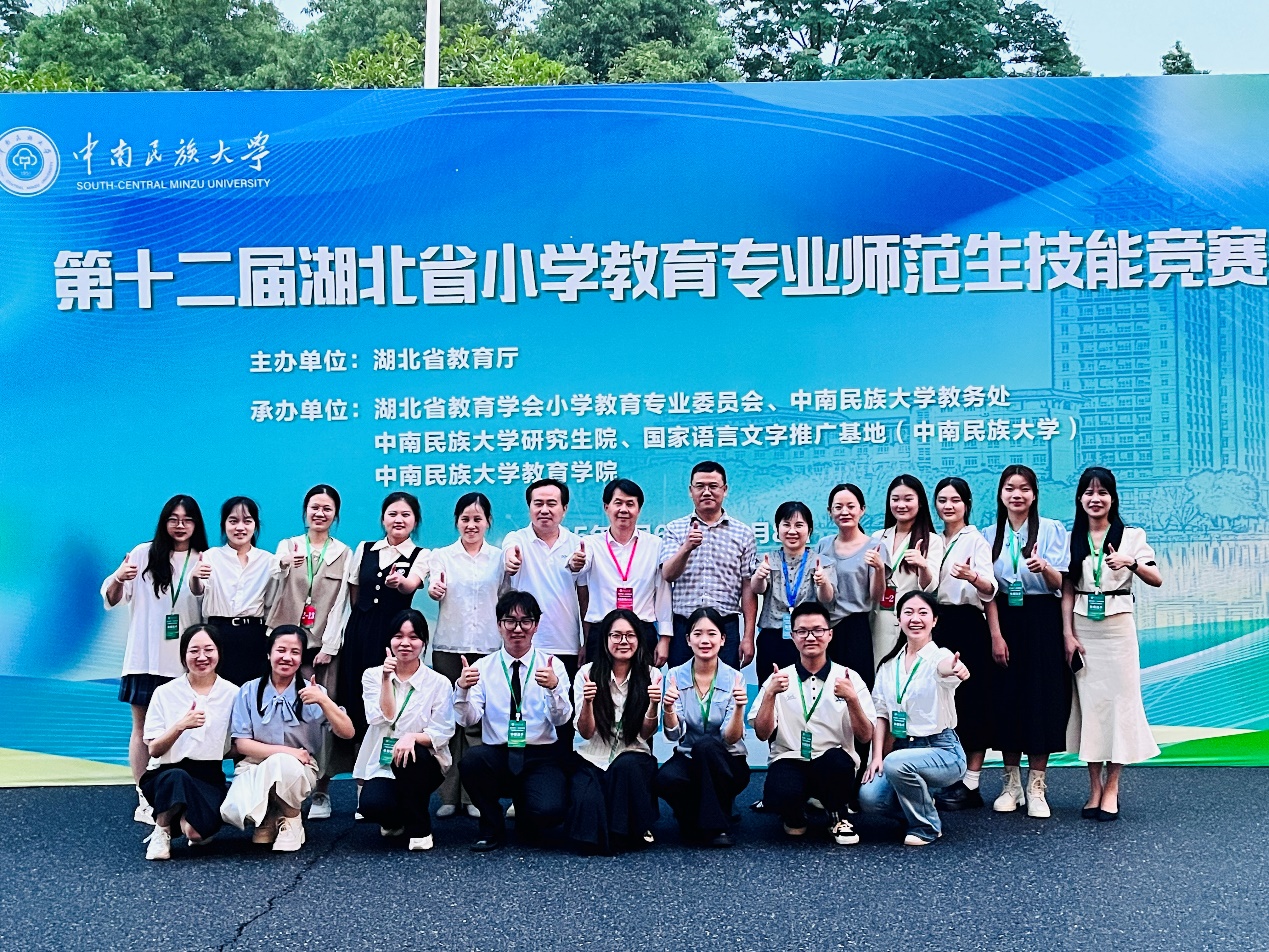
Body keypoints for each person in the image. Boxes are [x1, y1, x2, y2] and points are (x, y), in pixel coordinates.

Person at [1062, 467, 1163, 822]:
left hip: (1118, 630)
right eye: (1089, 493)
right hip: (1083, 629)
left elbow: (1156, 578)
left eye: (1102, 492)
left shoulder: (1131, 536)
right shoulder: (1072, 537)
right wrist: (1067, 634)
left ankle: (1113, 787)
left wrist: (1130, 562)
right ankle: (1093, 787)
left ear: (1113, 498)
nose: (1095, 499)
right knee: (1092, 709)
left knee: (1119, 706)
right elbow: (1067, 589)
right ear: (1080, 499)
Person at [102, 494, 210, 824]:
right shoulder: (142, 554)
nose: (180, 525)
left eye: (187, 520)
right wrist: (119, 577)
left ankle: (178, 797)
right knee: (141, 730)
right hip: (144, 659)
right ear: (164, 522)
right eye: (173, 519)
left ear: (197, 525)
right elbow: (112, 597)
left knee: (183, 732)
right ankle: (144, 796)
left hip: (186, 665)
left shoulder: (204, 559)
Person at [982, 464, 1070, 819]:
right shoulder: (989, 535)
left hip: (1041, 619)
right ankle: (1011, 784)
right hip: (1005, 618)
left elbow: (1061, 584)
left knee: (1039, 699)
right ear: (1000, 494)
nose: (1016, 495)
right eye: (1009, 488)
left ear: (1034, 495)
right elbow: (988, 591)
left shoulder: (1051, 529)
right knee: (1007, 699)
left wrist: (1044, 567)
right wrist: (995, 635)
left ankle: (1037, 785)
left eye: (1024, 489)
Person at [454, 591, 572, 852]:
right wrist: (462, 689)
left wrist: (554, 688)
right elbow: (467, 719)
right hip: (498, 753)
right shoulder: (483, 667)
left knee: (549, 812)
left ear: (536, 625)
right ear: (499, 625)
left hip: (540, 755)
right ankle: (491, 825)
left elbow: (561, 719)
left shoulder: (553, 666)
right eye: (510, 621)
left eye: (525, 621)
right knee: (472, 762)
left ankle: (527, 813)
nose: (518, 629)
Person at [749, 602, 874, 846]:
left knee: (838, 763)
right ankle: (794, 814)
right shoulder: (779, 678)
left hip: (832, 760)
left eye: (818, 630)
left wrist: (852, 700)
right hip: (790, 757)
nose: (810, 637)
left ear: (830, 634)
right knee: (780, 794)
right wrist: (770, 695)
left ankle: (838, 816)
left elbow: (865, 736)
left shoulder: (849, 677)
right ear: (793, 636)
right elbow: (763, 734)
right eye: (802, 631)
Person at [221, 626, 355, 851]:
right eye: (281, 650)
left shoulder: (314, 691)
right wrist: (289, 752)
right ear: (269, 654)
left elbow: (347, 732)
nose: (287, 657)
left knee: (284, 765)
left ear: (301, 658)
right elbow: (242, 744)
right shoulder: (248, 691)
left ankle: (292, 819)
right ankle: (270, 815)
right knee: (238, 809)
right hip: (255, 766)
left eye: (295, 652)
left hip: (299, 769)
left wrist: (324, 701)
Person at [265, 484, 352, 821]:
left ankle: (321, 791)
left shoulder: (343, 553)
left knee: (322, 718)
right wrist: (282, 565)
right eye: (315, 507)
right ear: (305, 511)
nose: (320, 513)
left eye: (327, 508)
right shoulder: (287, 546)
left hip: (321, 652)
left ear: (336, 514)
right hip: (287, 648)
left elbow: (341, 603)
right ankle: (281, 791)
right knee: (282, 715)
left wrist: (329, 646)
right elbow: (271, 588)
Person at [860, 592, 970, 846]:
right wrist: (876, 757)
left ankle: (926, 827)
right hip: (901, 749)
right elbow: (881, 714)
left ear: (934, 620)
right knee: (869, 798)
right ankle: (921, 805)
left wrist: (955, 668)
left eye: (923, 613)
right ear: (898, 619)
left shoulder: (939, 656)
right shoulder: (889, 665)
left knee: (897, 763)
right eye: (908, 612)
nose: (915, 619)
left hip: (942, 750)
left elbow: (945, 668)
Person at [354, 609, 455, 850]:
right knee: (371, 806)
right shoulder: (372, 675)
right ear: (389, 640)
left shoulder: (439, 682)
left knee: (410, 756)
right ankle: (396, 819)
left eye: (414, 637)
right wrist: (386, 679)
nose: (405, 643)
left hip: (424, 761)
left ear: (424, 642)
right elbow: (381, 717)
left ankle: (421, 829)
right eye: (398, 636)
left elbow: (442, 731)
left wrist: (412, 737)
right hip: (383, 761)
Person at [427, 491, 501, 819]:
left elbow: (506, 597)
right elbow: (434, 586)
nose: (471, 525)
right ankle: (449, 795)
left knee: (477, 724)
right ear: (456, 521)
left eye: (477, 519)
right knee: (448, 721)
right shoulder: (442, 556)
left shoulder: (499, 559)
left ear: (488, 522)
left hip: (486, 648)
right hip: (449, 647)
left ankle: (474, 796)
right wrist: (434, 590)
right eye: (465, 519)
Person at [139, 624, 238, 860]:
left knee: (196, 834)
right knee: (177, 777)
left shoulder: (233, 693)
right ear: (184, 655)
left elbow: (236, 745)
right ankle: (162, 830)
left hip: (208, 774)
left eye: (208, 650)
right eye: (194, 651)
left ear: (219, 652)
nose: (202, 657)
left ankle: (185, 816)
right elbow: (154, 750)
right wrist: (180, 726)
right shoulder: (165, 692)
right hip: (167, 772)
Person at [568, 610, 662, 854]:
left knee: (625, 767)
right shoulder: (587, 674)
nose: (623, 641)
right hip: (593, 756)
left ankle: (625, 832)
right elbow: (586, 733)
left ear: (639, 639)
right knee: (587, 811)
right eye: (616, 635)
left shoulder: (652, 675)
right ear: (605, 639)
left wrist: (653, 705)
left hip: (633, 756)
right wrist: (588, 702)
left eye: (630, 635)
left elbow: (646, 733)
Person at [338, 492, 429, 743]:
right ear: (383, 518)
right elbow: (354, 590)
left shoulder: (421, 554)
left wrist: (400, 582)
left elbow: (410, 585)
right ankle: (356, 756)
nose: (398, 519)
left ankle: (386, 752)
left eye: (406, 515)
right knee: (354, 689)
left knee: (387, 690)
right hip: (360, 628)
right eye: (393, 514)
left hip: (393, 635)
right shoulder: (365, 548)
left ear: (415, 521)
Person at [930, 477, 998, 811]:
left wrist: (972, 577)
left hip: (967, 623)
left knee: (972, 701)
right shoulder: (932, 540)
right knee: (940, 701)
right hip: (935, 624)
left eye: (955, 500)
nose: (948, 506)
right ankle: (944, 778)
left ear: (967, 505)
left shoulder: (976, 540)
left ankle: (971, 782)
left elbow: (990, 589)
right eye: (942, 500)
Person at [658, 607, 750, 847]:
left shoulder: (735, 678)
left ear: (723, 639)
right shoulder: (675, 675)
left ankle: (716, 827)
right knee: (666, 778)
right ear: (688, 640)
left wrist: (739, 708)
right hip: (689, 758)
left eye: (712, 634)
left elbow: (730, 739)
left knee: (707, 747)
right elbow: (674, 735)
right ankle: (695, 817)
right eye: (697, 634)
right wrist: (668, 708)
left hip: (727, 761)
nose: (705, 640)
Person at [501, 479, 585, 737]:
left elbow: (584, 598)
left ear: (564, 509)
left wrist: (586, 640)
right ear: (529, 507)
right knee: (522, 713)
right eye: (538, 503)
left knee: (562, 716)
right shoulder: (517, 539)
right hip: (525, 645)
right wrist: (511, 561)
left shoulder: (577, 544)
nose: (544, 510)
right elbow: (509, 555)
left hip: (565, 644)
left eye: (552, 503)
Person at [659, 462, 759, 670]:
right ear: (691, 491)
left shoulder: (743, 533)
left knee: (727, 687)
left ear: (725, 489)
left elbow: (748, 587)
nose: (706, 492)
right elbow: (668, 574)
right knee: (680, 687)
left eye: (713, 486)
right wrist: (686, 548)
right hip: (684, 627)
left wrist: (748, 636)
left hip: (726, 627)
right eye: (700, 486)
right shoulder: (675, 529)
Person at [576, 478, 671, 662]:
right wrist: (576, 563)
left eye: (630, 504)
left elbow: (663, 593)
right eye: (618, 503)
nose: (624, 509)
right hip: (602, 632)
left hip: (642, 631)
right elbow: (579, 566)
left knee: (642, 681)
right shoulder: (590, 544)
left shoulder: (656, 545)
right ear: (606, 507)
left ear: (639, 509)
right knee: (599, 681)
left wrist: (665, 638)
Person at [750, 501, 834, 684]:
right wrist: (759, 576)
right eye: (786, 525)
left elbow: (826, 598)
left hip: (809, 638)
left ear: (809, 530)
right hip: (772, 636)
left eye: (799, 525)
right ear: (777, 529)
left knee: (808, 688)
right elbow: (758, 589)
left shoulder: (821, 562)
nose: (792, 531)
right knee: (770, 687)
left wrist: (823, 582)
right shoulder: (767, 559)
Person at [196, 497, 276, 690]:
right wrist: (194, 576)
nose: (240, 527)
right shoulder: (210, 556)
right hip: (218, 633)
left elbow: (271, 602)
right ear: (224, 525)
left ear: (255, 525)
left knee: (251, 693)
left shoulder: (268, 560)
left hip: (253, 635)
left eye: (247, 521)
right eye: (233, 521)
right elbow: (198, 590)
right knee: (218, 692)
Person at [814, 484, 887, 689]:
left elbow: (877, 597)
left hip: (856, 627)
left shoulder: (875, 547)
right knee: (823, 688)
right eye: (838, 507)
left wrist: (879, 569)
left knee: (857, 688)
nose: (844, 512)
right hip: (824, 627)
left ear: (862, 510)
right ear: (830, 511)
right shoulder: (823, 545)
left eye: (851, 506)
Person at [871, 475, 943, 679]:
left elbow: (930, 587)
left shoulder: (932, 540)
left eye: (908, 499)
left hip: (913, 619)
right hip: (880, 618)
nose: (901, 505)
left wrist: (922, 565)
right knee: (881, 673)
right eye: (895, 499)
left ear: (920, 503)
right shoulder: (878, 537)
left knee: (912, 674)